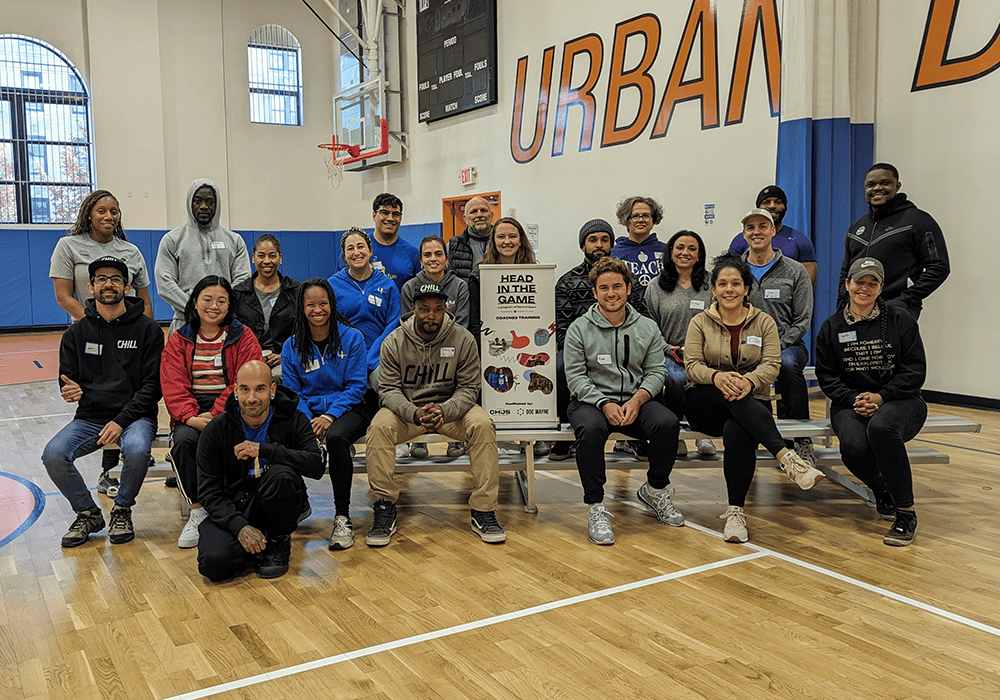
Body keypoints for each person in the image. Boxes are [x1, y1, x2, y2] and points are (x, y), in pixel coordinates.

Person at [683, 253, 824, 544]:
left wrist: (748, 381)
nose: (729, 289)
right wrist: (718, 377)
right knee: (735, 406)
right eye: (722, 283)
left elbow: (772, 364)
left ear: (747, 288)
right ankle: (787, 457)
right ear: (713, 289)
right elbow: (692, 365)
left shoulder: (764, 322)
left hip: (749, 401)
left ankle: (736, 512)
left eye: (736, 283)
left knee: (738, 430)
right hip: (704, 401)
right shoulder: (699, 322)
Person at [364, 282, 506, 546]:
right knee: (379, 426)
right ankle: (384, 506)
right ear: (414, 309)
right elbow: (389, 390)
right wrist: (414, 412)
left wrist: (445, 409)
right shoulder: (394, 341)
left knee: (482, 424)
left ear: (445, 310)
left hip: (451, 412)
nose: (432, 315)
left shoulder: (462, 339)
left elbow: (469, 387)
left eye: (438, 310)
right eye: (425, 309)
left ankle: (484, 509)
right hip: (409, 413)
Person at [41, 256, 163, 547]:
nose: (109, 284)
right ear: (90, 286)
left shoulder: (148, 330)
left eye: (116, 279)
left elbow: (153, 387)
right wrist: (68, 389)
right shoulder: (76, 332)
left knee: (135, 451)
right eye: (102, 279)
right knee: (53, 454)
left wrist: (120, 422)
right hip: (90, 416)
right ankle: (88, 513)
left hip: (135, 417)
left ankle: (121, 509)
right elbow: (67, 378)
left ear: (128, 286)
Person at [564, 256, 682, 545]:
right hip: (590, 402)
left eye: (617, 286)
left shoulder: (647, 327)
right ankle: (596, 506)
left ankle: (655, 490)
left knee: (667, 424)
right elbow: (576, 378)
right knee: (590, 431)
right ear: (595, 292)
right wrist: (604, 403)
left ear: (629, 288)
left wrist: (639, 399)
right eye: (604, 288)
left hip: (634, 400)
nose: (611, 293)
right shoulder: (579, 329)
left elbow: (656, 371)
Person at [49, 190, 155, 496]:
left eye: (114, 212)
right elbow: (63, 296)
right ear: (88, 213)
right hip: (89, 336)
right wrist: (99, 324)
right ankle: (104, 480)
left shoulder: (130, 250)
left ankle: (112, 472)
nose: (108, 216)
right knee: (99, 395)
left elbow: (144, 301)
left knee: (127, 389)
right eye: (101, 211)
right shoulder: (68, 246)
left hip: (128, 333)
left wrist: (140, 331)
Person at [817, 257, 927, 546]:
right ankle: (882, 489)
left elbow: (915, 371)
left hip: (901, 401)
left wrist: (881, 397)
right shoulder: (832, 327)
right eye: (859, 281)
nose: (864, 288)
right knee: (853, 447)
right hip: (850, 402)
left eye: (872, 283)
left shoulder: (900, 319)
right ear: (847, 284)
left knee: (881, 428)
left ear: (880, 288)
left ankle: (906, 514)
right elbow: (828, 377)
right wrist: (854, 398)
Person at [196, 361, 324, 581]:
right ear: (235, 391)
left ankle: (278, 541)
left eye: (260, 389)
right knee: (214, 564)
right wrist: (239, 527)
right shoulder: (216, 429)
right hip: (235, 506)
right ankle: (261, 542)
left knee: (282, 476)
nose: (252, 398)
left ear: (272, 390)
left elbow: (316, 465)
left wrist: (265, 450)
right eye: (245, 389)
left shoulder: (294, 419)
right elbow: (209, 493)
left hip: (276, 496)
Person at [161, 275, 262, 549]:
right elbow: (172, 382)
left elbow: (244, 380)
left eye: (221, 301)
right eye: (207, 299)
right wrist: (191, 417)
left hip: (231, 406)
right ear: (195, 302)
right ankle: (198, 511)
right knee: (183, 443)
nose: (214, 306)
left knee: (239, 442)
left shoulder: (244, 336)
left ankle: (236, 504)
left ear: (230, 306)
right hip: (191, 410)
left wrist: (218, 413)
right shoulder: (179, 339)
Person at [281, 278, 368, 550]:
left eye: (323, 303)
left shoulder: (353, 338)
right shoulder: (292, 346)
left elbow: (356, 386)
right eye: (310, 305)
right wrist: (308, 420)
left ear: (332, 304)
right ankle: (299, 501)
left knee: (336, 439)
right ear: (302, 308)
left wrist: (329, 417)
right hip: (309, 413)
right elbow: (293, 392)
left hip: (349, 408)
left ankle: (342, 516)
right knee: (280, 434)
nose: (317, 310)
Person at [550, 219, 645, 461]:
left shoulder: (628, 280)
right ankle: (564, 434)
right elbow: (561, 329)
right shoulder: (567, 282)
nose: (599, 245)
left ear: (612, 244)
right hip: (579, 348)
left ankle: (634, 437)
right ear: (583, 246)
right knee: (560, 366)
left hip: (624, 346)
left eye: (604, 239)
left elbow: (642, 321)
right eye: (593, 240)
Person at [738, 208, 815, 464]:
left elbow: (803, 318)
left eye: (762, 226)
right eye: (751, 228)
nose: (756, 231)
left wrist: (776, 345)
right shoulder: (736, 271)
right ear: (744, 234)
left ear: (773, 231)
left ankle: (800, 438)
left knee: (789, 364)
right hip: (745, 344)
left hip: (788, 344)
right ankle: (762, 436)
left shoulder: (795, 271)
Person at [467, 217, 549, 455]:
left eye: (512, 236)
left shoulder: (537, 274)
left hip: (526, 345)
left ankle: (537, 433)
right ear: (493, 241)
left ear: (521, 240)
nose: (507, 241)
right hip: (491, 347)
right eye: (501, 236)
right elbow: (474, 321)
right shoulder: (479, 276)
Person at [838, 163, 950, 320]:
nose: (877, 188)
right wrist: (841, 309)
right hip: (857, 312)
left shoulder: (917, 221)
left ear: (897, 186)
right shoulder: (856, 228)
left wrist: (904, 300)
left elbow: (939, 267)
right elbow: (846, 272)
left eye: (885, 183)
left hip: (896, 312)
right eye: (871, 185)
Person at [644, 230, 715, 457]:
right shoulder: (655, 286)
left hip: (705, 351)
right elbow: (650, 325)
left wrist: (698, 350)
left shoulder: (711, 284)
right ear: (670, 252)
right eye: (680, 248)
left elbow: (718, 319)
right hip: (667, 350)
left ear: (699, 254)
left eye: (692, 248)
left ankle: (703, 433)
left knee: (705, 379)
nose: (685, 253)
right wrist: (668, 349)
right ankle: (674, 434)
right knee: (676, 380)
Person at [401, 235, 471, 460]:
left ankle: (455, 438)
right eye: (427, 255)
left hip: (451, 351)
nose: (433, 259)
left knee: (454, 380)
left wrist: (441, 348)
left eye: (438, 254)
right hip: (417, 351)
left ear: (447, 258)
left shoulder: (460, 286)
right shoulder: (409, 287)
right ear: (420, 259)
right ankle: (417, 440)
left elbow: (461, 324)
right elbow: (408, 325)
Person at [154, 178, 251, 333]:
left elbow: (242, 280)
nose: (204, 206)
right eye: (198, 201)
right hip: (184, 323)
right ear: (189, 203)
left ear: (217, 204)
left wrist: (218, 307)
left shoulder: (234, 241)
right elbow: (165, 284)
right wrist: (195, 307)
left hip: (224, 324)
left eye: (210, 201)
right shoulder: (172, 240)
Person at [327, 227, 401, 412]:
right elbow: (329, 325)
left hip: (378, 357)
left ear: (370, 250)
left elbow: (393, 323)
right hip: (344, 357)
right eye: (350, 248)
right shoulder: (332, 286)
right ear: (344, 255)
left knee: (386, 385)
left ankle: (395, 432)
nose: (356, 252)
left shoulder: (387, 284)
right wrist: (354, 357)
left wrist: (370, 358)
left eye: (361, 246)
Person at [233, 234, 299, 379]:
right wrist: (253, 356)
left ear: (280, 258)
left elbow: (303, 331)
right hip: (248, 359)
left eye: (272, 256)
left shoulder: (295, 291)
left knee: (277, 377)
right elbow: (233, 333)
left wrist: (285, 355)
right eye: (261, 256)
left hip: (286, 359)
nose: (267, 261)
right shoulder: (239, 293)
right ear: (253, 258)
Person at [728, 186, 818, 286]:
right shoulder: (740, 240)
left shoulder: (800, 239)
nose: (772, 206)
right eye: (766, 202)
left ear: (785, 207)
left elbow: (807, 286)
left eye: (778, 202)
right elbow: (729, 276)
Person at [337, 193, 420, 294]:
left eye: (396, 214)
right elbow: (339, 287)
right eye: (384, 212)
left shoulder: (412, 254)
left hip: (399, 309)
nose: (390, 218)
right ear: (374, 215)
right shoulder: (355, 251)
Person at [609, 195, 667, 291]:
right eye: (635, 216)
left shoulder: (666, 250)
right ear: (626, 221)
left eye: (646, 215)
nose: (641, 220)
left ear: (653, 220)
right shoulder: (615, 253)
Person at [446, 196, 494, 281]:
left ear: (491, 216)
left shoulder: (503, 243)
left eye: (484, 210)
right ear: (465, 219)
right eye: (473, 212)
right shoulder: (452, 246)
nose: (479, 215)